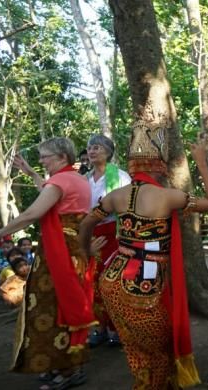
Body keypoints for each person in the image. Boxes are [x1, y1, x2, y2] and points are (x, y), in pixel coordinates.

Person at [78, 125, 208, 389]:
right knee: (159, 350)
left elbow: (86, 223)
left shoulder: (114, 196)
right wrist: (200, 162)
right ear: (159, 167)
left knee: (137, 351)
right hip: (143, 283)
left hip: (112, 279)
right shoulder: (168, 196)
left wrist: (87, 250)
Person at [0, 137, 94, 389]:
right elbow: (48, 189)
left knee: (52, 306)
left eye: (45, 156)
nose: (42, 160)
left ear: (62, 158)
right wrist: (30, 172)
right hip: (75, 249)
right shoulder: (77, 179)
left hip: (59, 254)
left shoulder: (59, 182)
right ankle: (68, 365)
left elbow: (32, 213)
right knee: (66, 304)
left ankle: (67, 370)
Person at [84, 134, 131, 348]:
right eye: (89, 148)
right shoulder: (85, 179)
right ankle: (100, 327)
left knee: (111, 281)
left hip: (115, 233)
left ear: (108, 151)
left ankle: (118, 329)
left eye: (97, 147)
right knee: (91, 281)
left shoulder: (119, 176)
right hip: (91, 233)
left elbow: (129, 205)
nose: (92, 151)